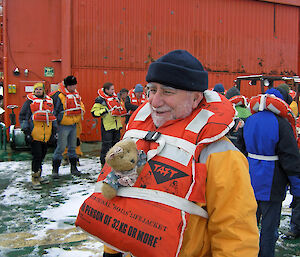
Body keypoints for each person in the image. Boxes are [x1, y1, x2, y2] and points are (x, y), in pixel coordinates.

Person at [87, 50, 259, 256]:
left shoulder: (220, 155)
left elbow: (235, 237)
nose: (155, 101)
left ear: (196, 99)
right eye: (152, 90)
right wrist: (111, 251)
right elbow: (122, 197)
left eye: (167, 92)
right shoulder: (139, 137)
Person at [237, 87, 300, 257]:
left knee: (247, 225)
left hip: (249, 182)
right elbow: (291, 160)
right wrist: (297, 189)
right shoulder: (282, 125)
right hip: (272, 185)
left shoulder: (248, 121)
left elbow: (239, 151)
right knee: (269, 229)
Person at [19, 82, 57, 189]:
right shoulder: (29, 103)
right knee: (37, 155)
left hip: (46, 134)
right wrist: (26, 131)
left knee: (43, 155)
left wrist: (54, 132)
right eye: (36, 90)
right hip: (34, 133)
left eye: (40, 89)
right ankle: (34, 177)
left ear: (44, 91)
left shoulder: (49, 102)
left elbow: (52, 117)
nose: (38, 91)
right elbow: (23, 117)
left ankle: (39, 175)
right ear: (33, 91)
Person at [51, 75, 85, 178]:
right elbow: (54, 111)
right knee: (61, 148)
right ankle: (55, 170)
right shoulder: (59, 95)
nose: (74, 87)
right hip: (63, 126)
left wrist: (82, 111)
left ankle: (74, 168)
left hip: (73, 124)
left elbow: (81, 105)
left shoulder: (76, 95)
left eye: (75, 84)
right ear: (67, 85)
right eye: (72, 85)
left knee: (72, 147)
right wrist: (56, 126)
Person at [91, 82, 126, 166]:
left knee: (116, 145)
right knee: (106, 146)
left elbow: (121, 107)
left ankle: (115, 163)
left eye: (114, 89)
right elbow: (94, 112)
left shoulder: (116, 98)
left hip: (117, 126)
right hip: (107, 127)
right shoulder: (100, 100)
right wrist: (103, 111)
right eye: (112, 89)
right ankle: (104, 164)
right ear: (106, 90)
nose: (114, 91)